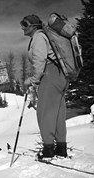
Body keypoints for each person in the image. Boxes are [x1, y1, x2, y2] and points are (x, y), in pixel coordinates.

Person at [20, 14, 69, 159]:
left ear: (33, 26)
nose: (22, 27)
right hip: (61, 75)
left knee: (45, 112)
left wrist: (33, 79)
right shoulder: (45, 37)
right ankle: (61, 147)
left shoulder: (39, 37)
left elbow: (40, 59)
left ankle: (48, 149)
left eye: (25, 23)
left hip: (50, 75)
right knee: (59, 113)